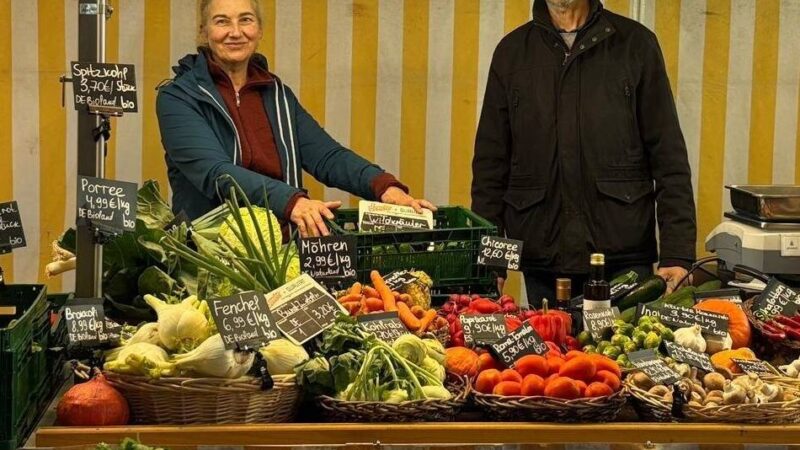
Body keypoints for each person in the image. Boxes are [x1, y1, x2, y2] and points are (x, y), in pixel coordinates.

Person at [471, 0, 696, 307]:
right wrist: (491, 263)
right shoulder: (511, 53)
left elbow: (668, 159)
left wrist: (677, 253)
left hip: (623, 255)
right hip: (543, 257)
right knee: (554, 350)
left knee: (622, 351)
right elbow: (490, 170)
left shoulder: (636, 45)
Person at [157, 0, 434, 238]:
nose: (235, 32)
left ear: (260, 29)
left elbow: (327, 156)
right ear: (204, 32)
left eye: (246, 20)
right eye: (221, 22)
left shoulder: (276, 94)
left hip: (283, 249)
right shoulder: (179, 97)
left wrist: (383, 186)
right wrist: (292, 202)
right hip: (210, 252)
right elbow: (216, 173)